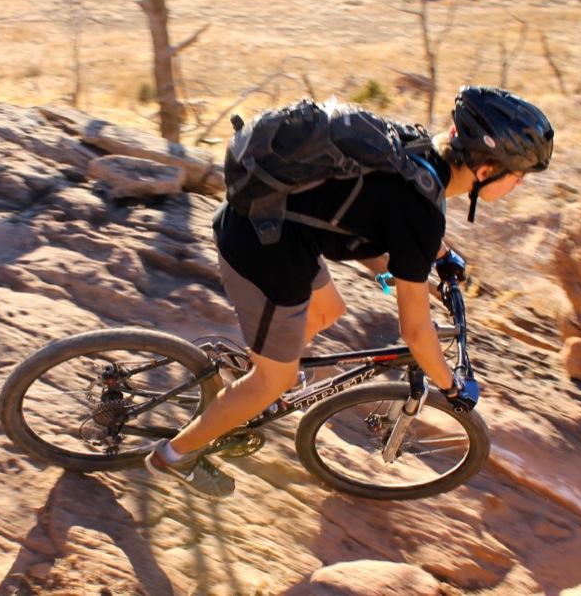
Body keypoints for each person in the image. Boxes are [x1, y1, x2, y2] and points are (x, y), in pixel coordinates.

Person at [145, 85, 554, 499]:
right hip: (261, 245)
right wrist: (450, 386)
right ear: (485, 172)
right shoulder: (422, 211)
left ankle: (253, 379)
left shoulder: (416, 151)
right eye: (518, 176)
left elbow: (382, 221)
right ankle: (176, 456)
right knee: (275, 378)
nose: (518, 185)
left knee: (328, 310)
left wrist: (443, 256)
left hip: (282, 230)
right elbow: (415, 331)